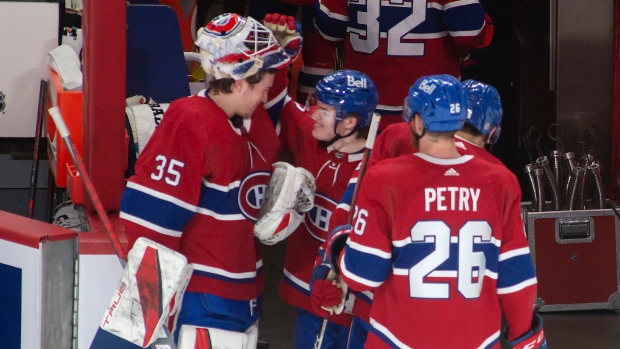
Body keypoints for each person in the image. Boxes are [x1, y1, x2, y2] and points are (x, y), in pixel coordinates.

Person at [324, 74, 545, 348]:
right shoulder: (501, 180)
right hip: (477, 340)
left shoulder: (387, 167)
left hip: (395, 335)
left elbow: (362, 269)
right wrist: (527, 340)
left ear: (416, 121)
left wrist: (336, 248)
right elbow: (517, 280)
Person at [118, 13, 300, 347]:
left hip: (246, 288)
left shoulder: (252, 119)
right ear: (241, 81)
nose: (265, 95)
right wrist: (149, 310)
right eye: (262, 87)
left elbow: (277, 112)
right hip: (203, 294)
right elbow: (149, 219)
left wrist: (278, 55)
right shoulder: (189, 122)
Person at [276, 69, 379, 349]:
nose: (313, 115)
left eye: (324, 110)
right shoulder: (310, 135)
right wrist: (280, 57)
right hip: (309, 292)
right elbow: (275, 99)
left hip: (351, 301)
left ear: (349, 123)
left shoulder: (379, 169)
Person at [313, 0, 494, 130]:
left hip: (362, 110)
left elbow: (330, 28)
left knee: (367, 177)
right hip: (432, 113)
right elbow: (469, 32)